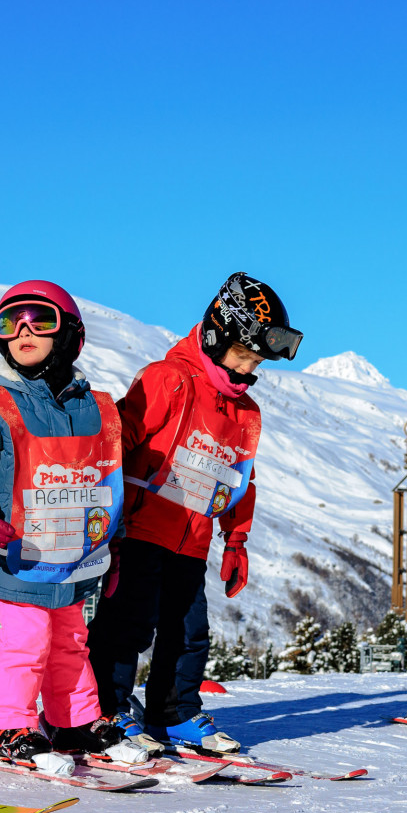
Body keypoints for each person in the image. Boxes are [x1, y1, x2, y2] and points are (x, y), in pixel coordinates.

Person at [87, 272, 302, 754]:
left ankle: (175, 712)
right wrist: (103, 511)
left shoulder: (244, 412)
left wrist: (237, 540)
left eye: (257, 362)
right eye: (242, 356)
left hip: (193, 539)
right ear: (214, 336)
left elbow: (238, 480)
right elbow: (118, 441)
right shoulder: (168, 381)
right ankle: (108, 709)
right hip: (140, 531)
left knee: (189, 633)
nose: (248, 370)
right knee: (128, 624)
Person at [0, 281, 131, 772]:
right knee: (26, 637)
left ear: (69, 335)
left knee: (69, 637)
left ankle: (73, 722)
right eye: (10, 321)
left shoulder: (97, 408)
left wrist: (114, 551)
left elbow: (106, 483)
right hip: (14, 550)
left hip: (73, 554)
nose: (23, 330)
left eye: (39, 320)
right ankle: (4, 725)